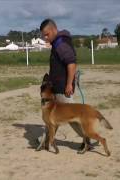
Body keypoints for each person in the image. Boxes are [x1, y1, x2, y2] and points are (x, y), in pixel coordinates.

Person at [39, 18, 91, 150]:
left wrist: (69, 85)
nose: (45, 38)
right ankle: (45, 142)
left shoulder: (61, 43)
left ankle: (87, 140)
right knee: (50, 118)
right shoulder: (57, 42)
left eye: (47, 34)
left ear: (53, 29)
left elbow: (71, 64)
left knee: (73, 118)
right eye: (43, 35)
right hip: (56, 87)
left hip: (63, 88)